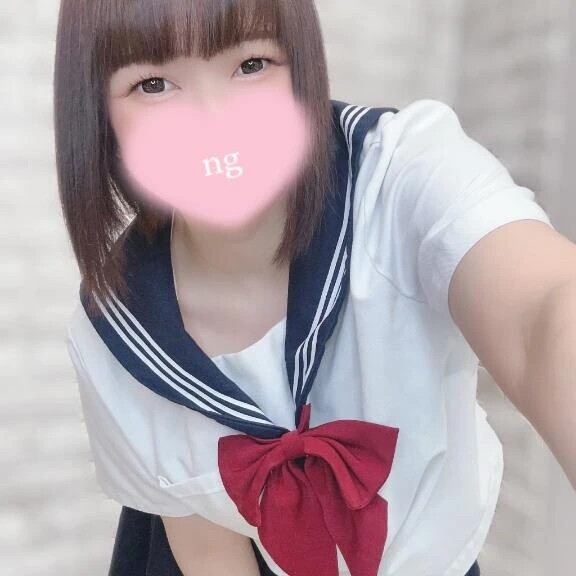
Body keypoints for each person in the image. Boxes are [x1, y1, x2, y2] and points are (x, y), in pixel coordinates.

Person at [55, 1, 555, 575]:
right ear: (99, 115)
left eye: (250, 65)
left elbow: (541, 311)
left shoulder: (399, 176)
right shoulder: (113, 332)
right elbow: (207, 548)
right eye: (153, 84)